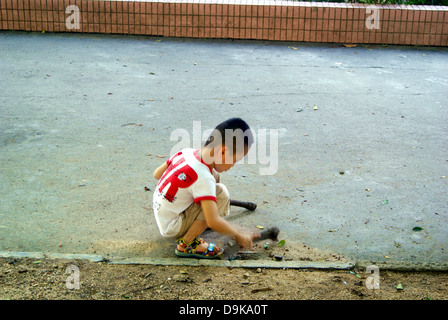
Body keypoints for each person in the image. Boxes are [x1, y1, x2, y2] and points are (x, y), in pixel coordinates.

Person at [152, 118, 255, 259]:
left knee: (214, 176)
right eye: (235, 161)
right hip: (173, 226)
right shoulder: (204, 177)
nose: (232, 166)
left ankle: (199, 220)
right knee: (221, 193)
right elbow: (213, 222)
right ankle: (187, 244)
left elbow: (157, 174)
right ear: (223, 152)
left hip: (164, 215)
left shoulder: (186, 152)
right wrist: (238, 234)